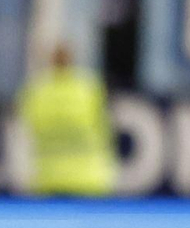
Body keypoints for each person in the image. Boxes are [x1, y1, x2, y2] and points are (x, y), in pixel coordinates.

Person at [19, 44, 118, 197]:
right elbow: (106, 129)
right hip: (90, 179)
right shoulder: (89, 89)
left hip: (48, 179)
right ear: (72, 61)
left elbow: (26, 128)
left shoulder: (37, 92)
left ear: (51, 62)